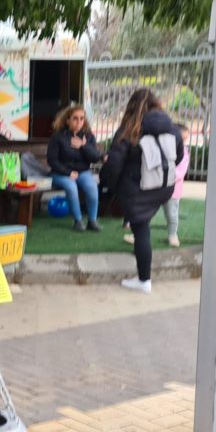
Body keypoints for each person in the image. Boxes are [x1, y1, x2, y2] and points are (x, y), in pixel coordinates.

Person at [101, 88, 184, 294]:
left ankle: (144, 279)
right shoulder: (172, 129)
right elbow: (179, 157)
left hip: (137, 188)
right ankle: (142, 272)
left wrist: (109, 184)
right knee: (142, 228)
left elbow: (114, 164)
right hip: (162, 186)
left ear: (132, 106)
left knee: (141, 230)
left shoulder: (130, 129)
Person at [47, 104, 103, 232]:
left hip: (82, 172)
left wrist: (83, 146)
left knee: (92, 186)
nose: (79, 122)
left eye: (82, 118)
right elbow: (52, 160)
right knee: (71, 187)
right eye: (75, 118)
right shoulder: (58, 137)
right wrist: (68, 172)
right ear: (67, 120)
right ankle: (78, 221)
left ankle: (92, 221)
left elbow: (95, 157)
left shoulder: (88, 136)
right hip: (60, 173)